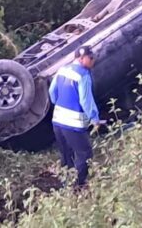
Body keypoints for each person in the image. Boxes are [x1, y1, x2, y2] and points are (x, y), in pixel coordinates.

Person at [48, 45, 103, 188]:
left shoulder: (62, 70)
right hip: (73, 124)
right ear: (81, 58)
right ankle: (78, 186)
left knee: (66, 155)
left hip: (57, 121)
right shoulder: (83, 75)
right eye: (90, 58)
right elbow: (86, 101)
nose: (93, 61)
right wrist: (94, 118)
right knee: (85, 153)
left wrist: (61, 104)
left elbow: (52, 92)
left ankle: (65, 184)